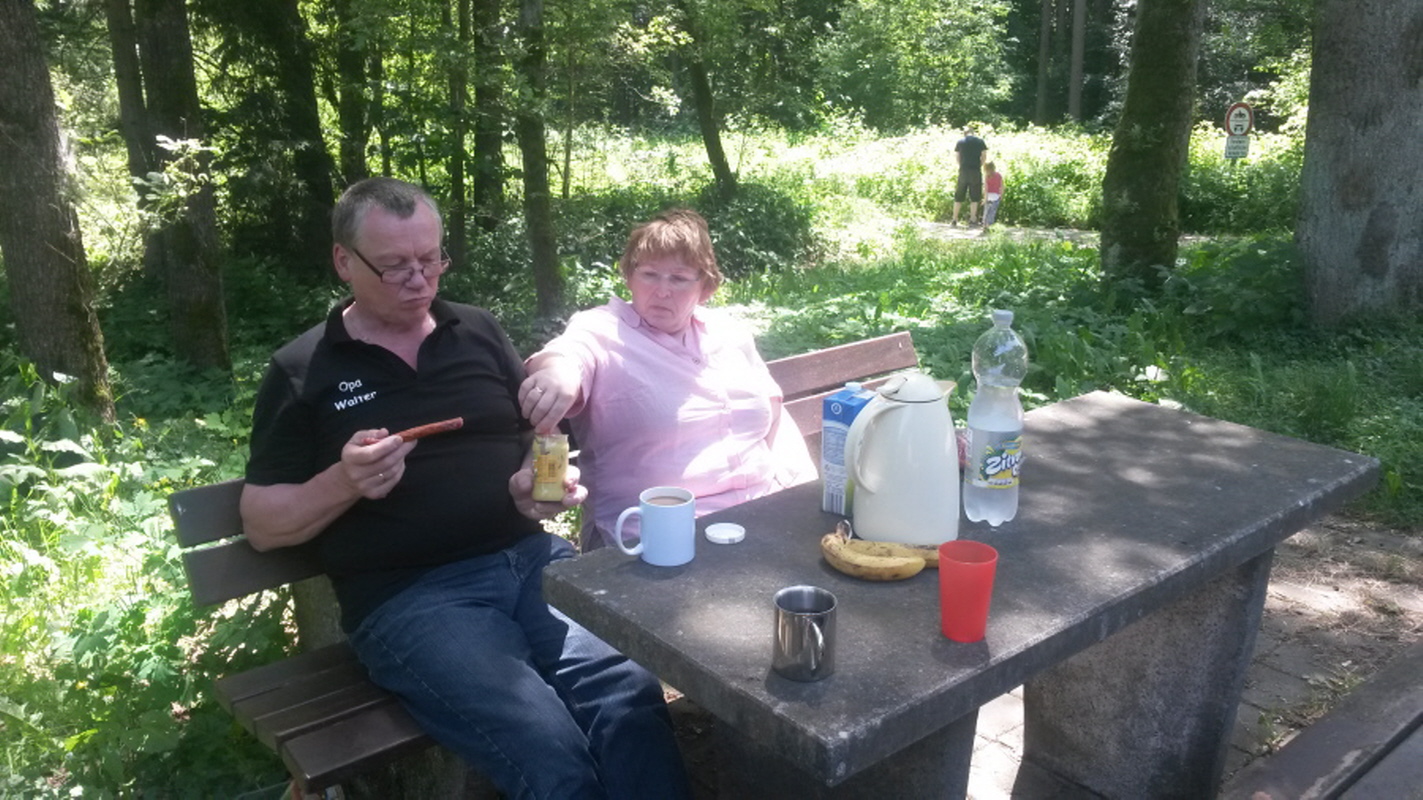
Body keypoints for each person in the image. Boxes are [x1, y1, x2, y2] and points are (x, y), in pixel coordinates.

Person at [240, 177, 692, 800]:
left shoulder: (475, 330)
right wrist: (344, 481)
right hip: (412, 597)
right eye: (395, 266)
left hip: (533, 560)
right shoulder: (303, 369)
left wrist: (535, 487)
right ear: (344, 261)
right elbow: (262, 524)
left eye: (431, 260)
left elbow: (532, 437)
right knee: (547, 749)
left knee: (628, 695)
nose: (419, 281)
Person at [519, 208, 817, 550]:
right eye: (649, 275)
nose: (662, 291)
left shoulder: (729, 332)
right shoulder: (602, 330)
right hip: (653, 534)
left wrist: (803, 493)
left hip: (762, 516)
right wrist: (557, 373)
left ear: (705, 287)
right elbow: (567, 354)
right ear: (629, 277)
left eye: (678, 278)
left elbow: (774, 417)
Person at [951, 127, 989, 227]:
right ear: (973, 133)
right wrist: (979, 165)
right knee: (975, 196)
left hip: (963, 171)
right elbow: (984, 156)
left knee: (959, 196)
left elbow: (957, 157)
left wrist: (961, 166)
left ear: (965, 133)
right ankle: (972, 219)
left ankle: (954, 219)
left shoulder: (960, 142)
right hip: (975, 171)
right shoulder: (980, 142)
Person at [981, 161, 1004, 232]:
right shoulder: (999, 175)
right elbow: (1002, 186)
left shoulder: (986, 177)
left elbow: (986, 189)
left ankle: (984, 225)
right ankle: (989, 225)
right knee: (992, 212)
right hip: (996, 196)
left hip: (988, 196)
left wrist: (985, 199)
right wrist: (1001, 195)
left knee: (986, 211)